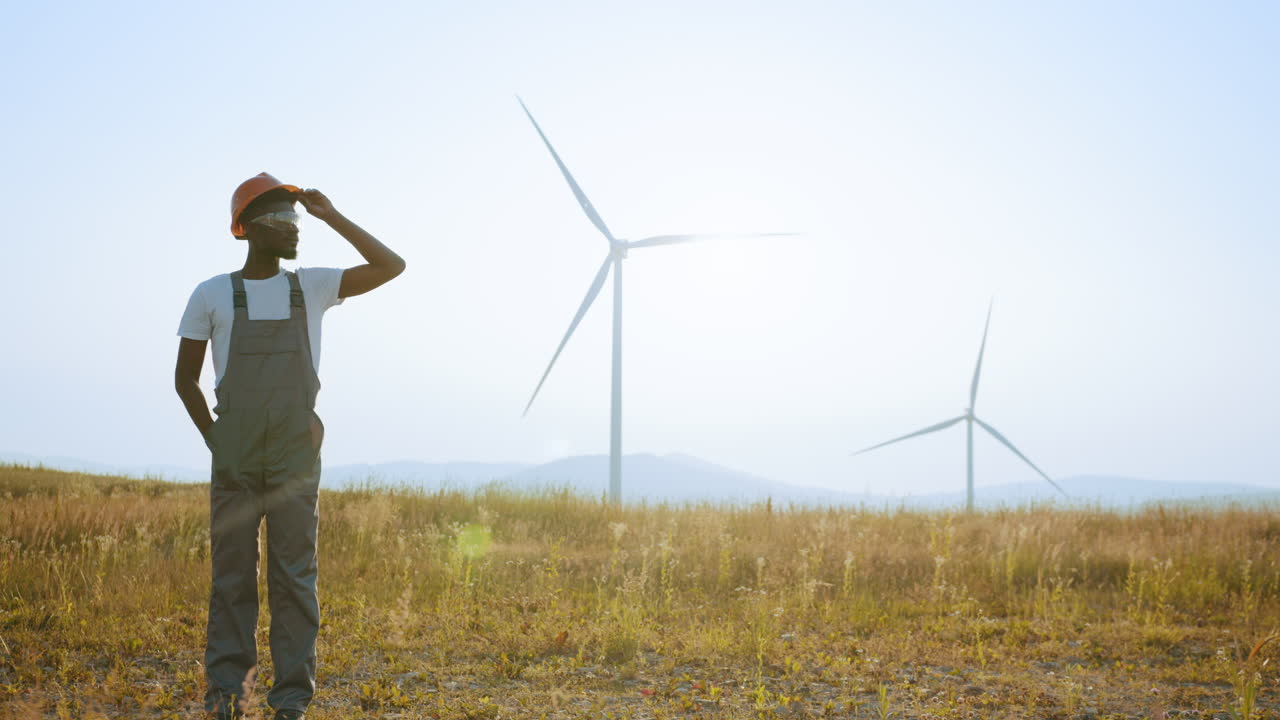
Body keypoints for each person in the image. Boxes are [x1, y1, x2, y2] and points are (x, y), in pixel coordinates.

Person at [174, 172, 405, 720]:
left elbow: (391, 266)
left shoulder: (313, 287)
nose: (296, 232)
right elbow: (184, 379)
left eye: (298, 222)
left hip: (295, 457)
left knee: (294, 579)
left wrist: (331, 215)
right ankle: (227, 697)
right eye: (285, 222)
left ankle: (291, 702)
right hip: (236, 453)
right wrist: (217, 440)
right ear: (252, 230)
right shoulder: (211, 293)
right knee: (231, 579)